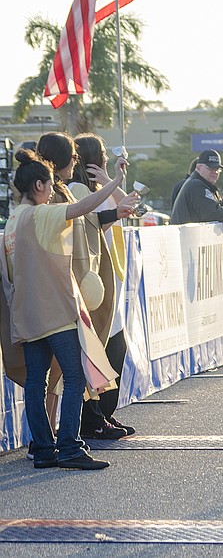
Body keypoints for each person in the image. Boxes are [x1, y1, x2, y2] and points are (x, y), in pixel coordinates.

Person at [4, 148, 127, 470]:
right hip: (55, 313)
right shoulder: (41, 214)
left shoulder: (13, 220)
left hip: (26, 315)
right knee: (74, 379)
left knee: (36, 383)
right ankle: (70, 448)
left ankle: (43, 449)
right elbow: (82, 207)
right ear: (41, 186)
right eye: (50, 185)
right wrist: (115, 181)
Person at [69, 133, 137, 440]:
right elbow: (92, 226)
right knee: (98, 351)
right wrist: (110, 189)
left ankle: (105, 416)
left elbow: (133, 207)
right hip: (93, 281)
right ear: (88, 159)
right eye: (102, 158)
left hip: (112, 277)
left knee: (116, 349)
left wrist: (111, 180)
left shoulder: (98, 186)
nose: (106, 161)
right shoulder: (76, 189)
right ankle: (93, 419)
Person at [170, 149, 223, 229]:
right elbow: (211, 213)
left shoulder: (206, 186)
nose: (215, 172)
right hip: (188, 238)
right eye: (210, 168)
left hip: (192, 237)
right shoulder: (196, 186)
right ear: (198, 168)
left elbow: (222, 209)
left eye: (217, 169)